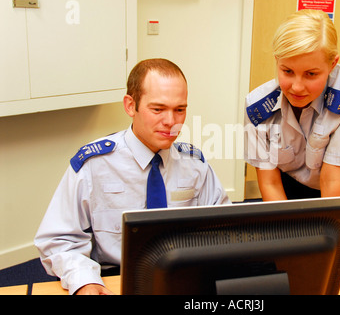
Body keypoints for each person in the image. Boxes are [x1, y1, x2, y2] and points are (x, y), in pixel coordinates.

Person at [35, 58, 230, 295]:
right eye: (158, 109)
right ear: (130, 106)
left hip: (181, 277)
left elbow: (224, 229)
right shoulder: (94, 164)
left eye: (180, 110)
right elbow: (58, 239)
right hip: (112, 278)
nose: (171, 122)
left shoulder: (194, 164)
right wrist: (85, 280)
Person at [244, 10, 340, 295]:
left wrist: (334, 258)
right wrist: (293, 248)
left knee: (329, 271)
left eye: (312, 74)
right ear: (277, 62)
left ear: (333, 64)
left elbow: (332, 181)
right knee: (292, 265)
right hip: (288, 190)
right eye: (287, 71)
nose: (297, 86)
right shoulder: (258, 108)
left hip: (339, 190)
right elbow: (269, 183)